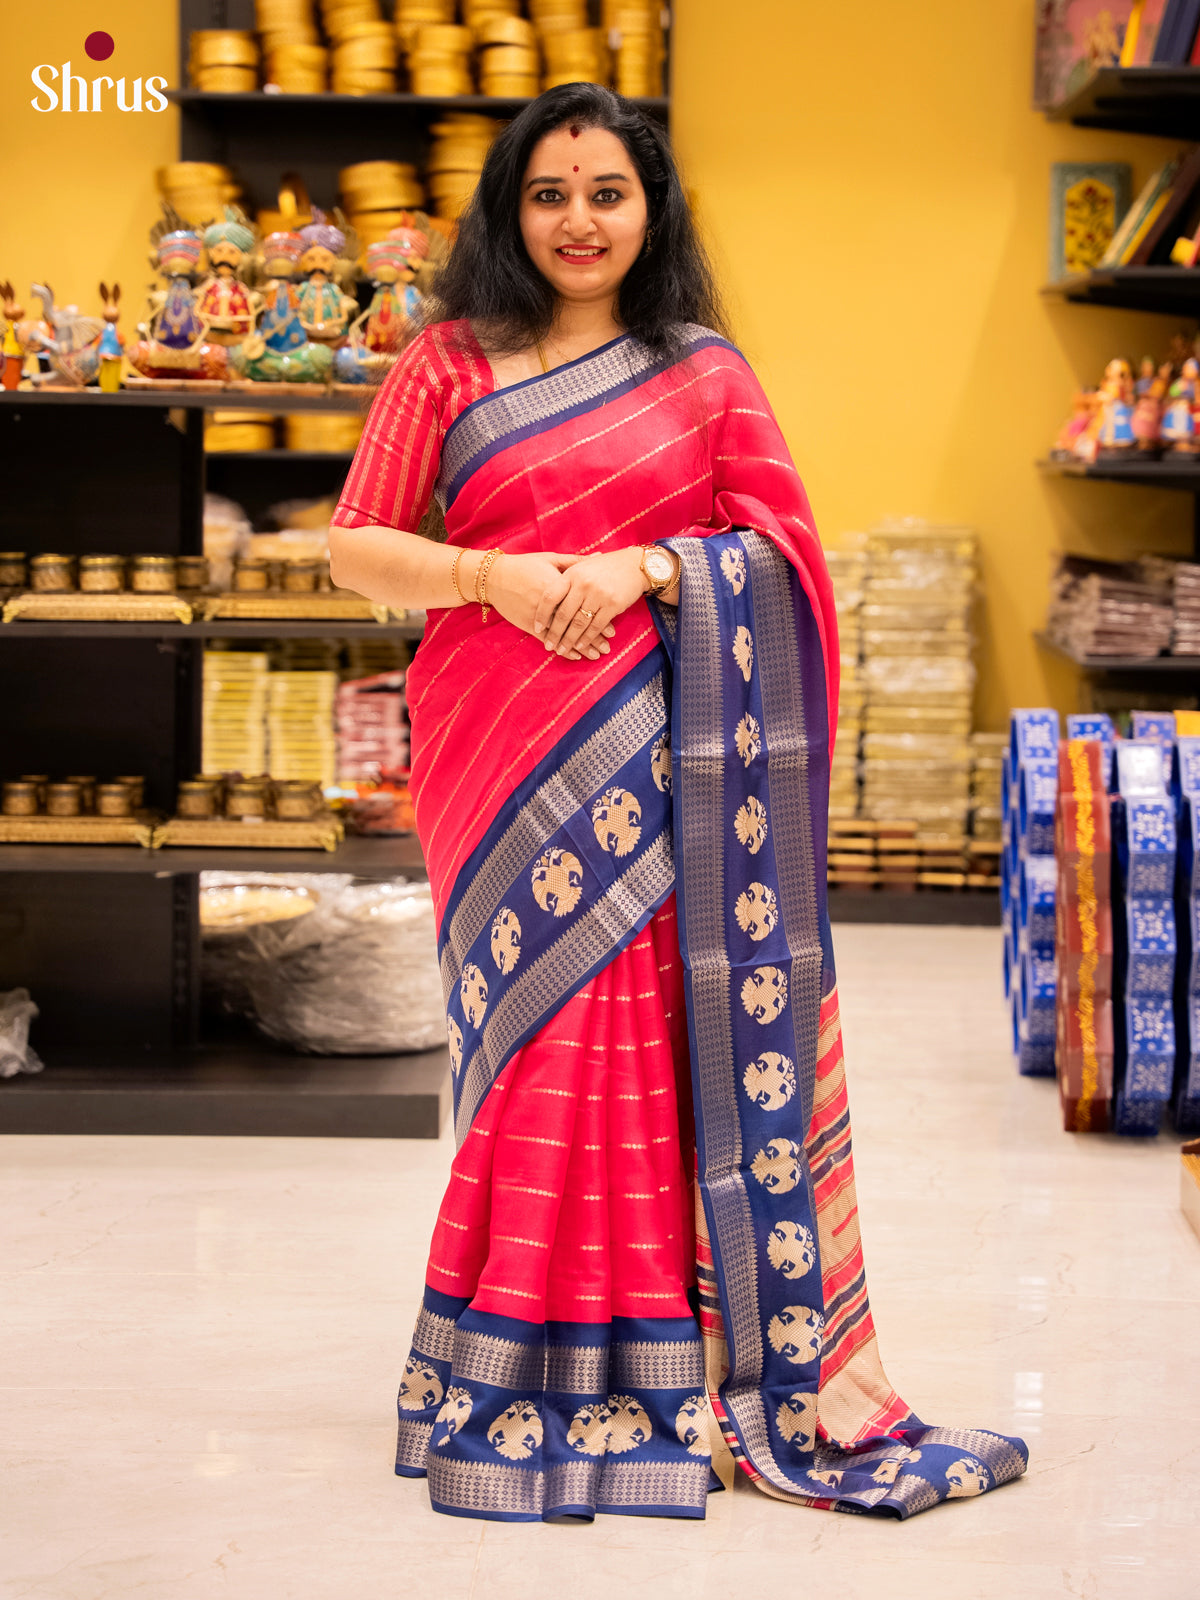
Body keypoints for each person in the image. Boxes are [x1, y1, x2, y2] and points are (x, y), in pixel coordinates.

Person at [329, 82, 1026, 1525]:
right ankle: (509, 1355)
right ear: (508, 210)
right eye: (549, 192)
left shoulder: (703, 372)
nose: (578, 220)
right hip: (489, 745)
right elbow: (356, 550)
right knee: (530, 1040)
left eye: (607, 192)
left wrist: (651, 570)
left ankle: (661, 1357)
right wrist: (494, 575)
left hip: (659, 757)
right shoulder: (447, 364)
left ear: (653, 211)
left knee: (639, 1042)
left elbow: (778, 557)